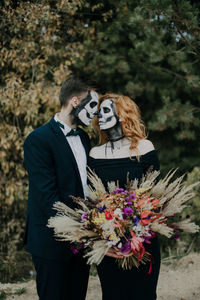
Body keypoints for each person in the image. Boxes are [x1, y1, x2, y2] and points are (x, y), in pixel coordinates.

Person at [23, 76, 98, 300]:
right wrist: (75, 230)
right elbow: (47, 195)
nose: (94, 113)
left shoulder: (84, 138)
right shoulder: (38, 139)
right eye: (91, 104)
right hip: (51, 241)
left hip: (83, 240)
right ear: (75, 101)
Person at [88, 93, 161, 300]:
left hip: (143, 241)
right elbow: (93, 199)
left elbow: (155, 195)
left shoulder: (144, 147)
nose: (99, 116)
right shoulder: (95, 153)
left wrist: (135, 231)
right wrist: (109, 235)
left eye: (105, 111)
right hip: (109, 244)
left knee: (143, 295)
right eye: (98, 112)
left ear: (120, 114)